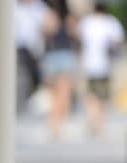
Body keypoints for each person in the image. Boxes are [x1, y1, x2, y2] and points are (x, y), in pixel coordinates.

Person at [79, 1, 125, 136]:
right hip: (105, 65)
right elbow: (117, 41)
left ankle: (95, 120)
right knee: (103, 97)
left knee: (91, 95)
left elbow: (78, 37)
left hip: (89, 65)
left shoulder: (87, 22)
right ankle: (99, 123)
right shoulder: (110, 22)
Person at [41, 0, 78, 138]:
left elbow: (46, 32)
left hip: (55, 55)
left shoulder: (53, 16)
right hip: (62, 56)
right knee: (61, 94)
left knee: (58, 94)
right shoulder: (63, 17)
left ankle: (55, 123)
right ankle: (56, 123)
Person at [15, 0, 50, 112]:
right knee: (20, 76)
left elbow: (48, 24)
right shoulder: (14, 7)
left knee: (36, 76)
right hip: (18, 47)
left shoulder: (39, 7)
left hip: (34, 49)